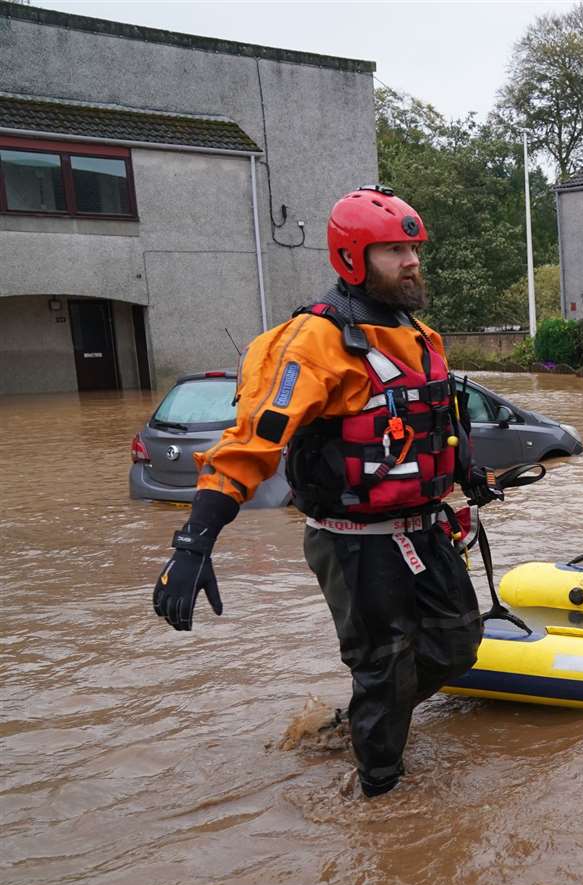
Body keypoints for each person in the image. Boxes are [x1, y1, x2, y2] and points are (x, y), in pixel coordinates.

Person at [151, 184, 502, 798]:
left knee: (457, 644)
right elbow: (248, 445)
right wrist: (193, 544)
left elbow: (439, 422)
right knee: (384, 664)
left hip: (423, 527)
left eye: (414, 248)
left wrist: (467, 475)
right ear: (351, 259)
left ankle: (369, 716)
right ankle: (379, 796)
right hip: (354, 542)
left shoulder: (421, 335)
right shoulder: (309, 343)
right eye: (393, 250)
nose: (412, 261)